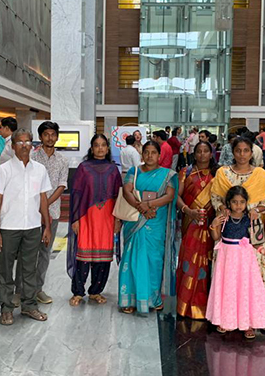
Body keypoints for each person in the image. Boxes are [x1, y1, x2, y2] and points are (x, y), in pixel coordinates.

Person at [0, 129, 52, 324]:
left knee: (29, 269)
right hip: (9, 227)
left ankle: (29, 306)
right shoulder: (4, 169)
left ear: (32, 145)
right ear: (13, 145)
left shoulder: (39, 169)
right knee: (6, 269)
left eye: (27, 142)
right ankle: (6, 308)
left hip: (32, 226)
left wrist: (47, 226)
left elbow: (43, 198)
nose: (24, 146)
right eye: (20, 142)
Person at [211, 136, 265, 323]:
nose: (242, 154)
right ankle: (224, 317)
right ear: (232, 152)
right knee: (227, 278)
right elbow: (216, 198)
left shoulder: (261, 174)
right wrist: (223, 209)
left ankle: (252, 319)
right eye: (238, 150)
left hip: (250, 234)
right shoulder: (222, 173)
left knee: (250, 279)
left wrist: (256, 210)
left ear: (252, 153)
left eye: (246, 151)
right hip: (228, 235)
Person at [118, 141, 179, 315]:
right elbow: (127, 191)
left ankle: (153, 299)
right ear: (142, 154)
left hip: (156, 222)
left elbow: (170, 196)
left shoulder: (168, 174)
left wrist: (149, 205)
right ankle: (129, 299)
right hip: (136, 220)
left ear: (159, 155)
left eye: (153, 152)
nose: (150, 156)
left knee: (154, 261)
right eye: (146, 152)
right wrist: (141, 207)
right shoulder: (134, 171)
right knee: (132, 259)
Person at [206, 186, 265, 336]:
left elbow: (255, 241)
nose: (238, 205)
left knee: (245, 288)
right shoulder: (224, 218)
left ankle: (248, 323)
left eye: (242, 202)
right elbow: (216, 237)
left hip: (245, 259)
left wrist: (262, 250)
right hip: (226, 258)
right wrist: (214, 225)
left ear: (246, 203)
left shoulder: (250, 218)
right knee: (228, 288)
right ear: (228, 203)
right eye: (234, 202)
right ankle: (226, 320)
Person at [67, 134, 122, 307]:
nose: (100, 148)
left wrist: (118, 219)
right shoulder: (84, 168)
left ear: (107, 148)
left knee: (103, 257)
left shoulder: (113, 169)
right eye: (96, 145)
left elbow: (118, 195)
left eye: (103, 145)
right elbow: (76, 193)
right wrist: (75, 218)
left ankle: (95, 291)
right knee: (83, 255)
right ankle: (78, 292)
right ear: (92, 148)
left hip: (107, 217)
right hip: (86, 217)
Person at [175, 141, 218, 319]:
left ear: (211, 153)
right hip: (190, 223)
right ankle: (185, 304)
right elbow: (177, 196)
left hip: (211, 225)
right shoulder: (186, 172)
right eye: (199, 151)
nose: (202, 154)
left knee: (208, 264)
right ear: (194, 153)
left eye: (205, 151)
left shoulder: (218, 173)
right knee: (189, 262)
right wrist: (188, 211)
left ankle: (206, 305)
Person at [30, 121, 70, 304]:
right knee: (28, 252)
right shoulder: (31, 157)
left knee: (45, 252)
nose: (50, 137)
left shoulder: (62, 160)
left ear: (57, 137)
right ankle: (22, 290)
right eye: (46, 134)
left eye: (53, 134)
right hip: (31, 212)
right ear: (40, 137)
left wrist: (45, 204)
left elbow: (62, 185)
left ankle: (38, 289)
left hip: (52, 212)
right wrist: (38, 204)